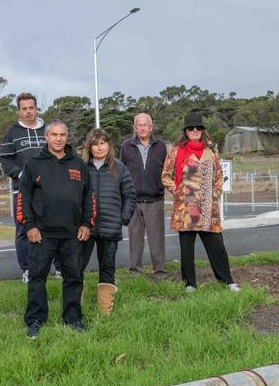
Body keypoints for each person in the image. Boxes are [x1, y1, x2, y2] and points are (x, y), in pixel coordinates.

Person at [19, 121, 93, 339]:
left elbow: (89, 196)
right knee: (37, 278)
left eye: (62, 135)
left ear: (67, 137)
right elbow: (24, 199)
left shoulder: (78, 164)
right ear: (46, 137)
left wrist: (87, 223)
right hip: (42, 233)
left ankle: (73, 318)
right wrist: (30, 226)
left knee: (73, 277)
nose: (58, 139)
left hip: (72, 233)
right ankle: (35, 320)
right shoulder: (33, 164)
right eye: (54, 135)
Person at [161, 112, 241, 293]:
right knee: (187, 249)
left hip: (207, 206)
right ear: (185, 131)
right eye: (191, 128)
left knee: (217, 246)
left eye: (198, 128)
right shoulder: (176, 151)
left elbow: (220, 176)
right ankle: (189, 284)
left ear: (203, 130)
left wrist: (216, 193)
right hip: (186, 208)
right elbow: (165, 176)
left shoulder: (211, 151)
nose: (195, 130)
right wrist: (178, 191)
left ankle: (227, 280)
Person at [81, 128, 136, 314]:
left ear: (109, 145)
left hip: (110, 226)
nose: (99, 147)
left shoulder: (119, 168)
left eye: (103, 143)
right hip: (84, 226)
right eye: (95, 144)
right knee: (76, 265)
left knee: (107, 266)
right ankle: (74, 307)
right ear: (89, 147)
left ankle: (104, 309)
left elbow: (130, 195)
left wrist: (123, 218)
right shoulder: (81, 167)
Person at [0, 92, 48, 284]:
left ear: (36, 108)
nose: (28, 112)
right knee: (24, 231)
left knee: (55, 228)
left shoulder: (48, 129)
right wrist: (21, 175)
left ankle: (60, 267)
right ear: (19, 111)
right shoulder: (12, 133)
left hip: (49, 191)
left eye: (31, 107)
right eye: (24, 108)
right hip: (23, 191)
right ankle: (27, 270)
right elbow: (4, 159)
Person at [120, 112, 170, 277]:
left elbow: (167, 171)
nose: (142, 128)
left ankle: (160, 270)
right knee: (135, 237)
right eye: (139, 125)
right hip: (133, 200)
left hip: (155, 199)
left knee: (156, 238)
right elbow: (123, 171)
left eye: (145, 125)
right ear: (135, 128)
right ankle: (135, 270)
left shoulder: (161, 146)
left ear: (151, 127)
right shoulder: (126, 146)